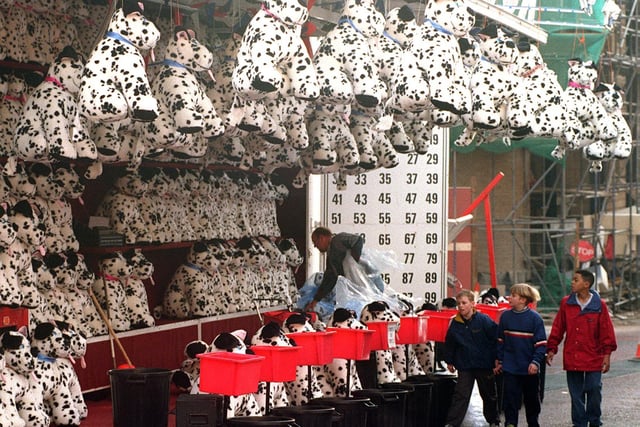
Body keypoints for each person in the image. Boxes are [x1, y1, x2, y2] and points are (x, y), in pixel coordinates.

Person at [546, 269, 617, 427]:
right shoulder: (567, 303)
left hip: (594, 355)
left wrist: (607, 355)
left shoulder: (599, 305)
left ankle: (594, 420)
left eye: (576, 280)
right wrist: (551, 348)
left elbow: (606, 331)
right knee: (576, 394)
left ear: (586, 284)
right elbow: (558, 327)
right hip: (573, 355)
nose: (572, 282)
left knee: (594, 388)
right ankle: (579, 423)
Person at [443, 289, 501, 427]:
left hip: (484, 364)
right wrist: (449, 360)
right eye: (458, 303)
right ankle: (452, 423)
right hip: (465, 365)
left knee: (488, 394)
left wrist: (498, 358)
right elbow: (450, 343)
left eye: (464, 303)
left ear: (473, 304)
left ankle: (493, 420)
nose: (461, 306)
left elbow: (495, 339)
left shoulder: (484, 320)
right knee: (460, 395)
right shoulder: (455, 323)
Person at [496, 283, 547, 427]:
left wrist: (535, 362)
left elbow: (541, 345)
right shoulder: (505, 317)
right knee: (510, 399)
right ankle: (511, 423)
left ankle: (533, 422)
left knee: (531, 400)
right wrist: (500, 360)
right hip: (510, 368)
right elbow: (500, 340)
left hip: (529, 368)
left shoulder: (535, 319)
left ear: (523, 300)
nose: (509, 297)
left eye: (513, 295)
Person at [305, 227, 364, 312]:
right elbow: (330, 278)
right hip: (357, 288)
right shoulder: (331, 256)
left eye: (315, 242)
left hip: (366, 281)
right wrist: (316, 300)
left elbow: (358, 240)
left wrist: (355, 264)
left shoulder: (338, 240)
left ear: (321, 238)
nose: (315, 246)